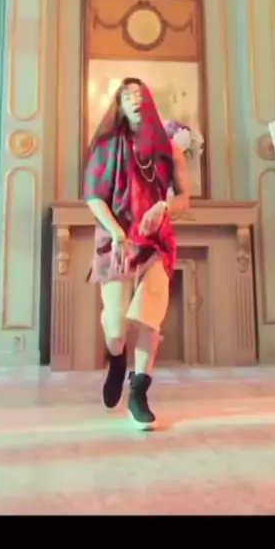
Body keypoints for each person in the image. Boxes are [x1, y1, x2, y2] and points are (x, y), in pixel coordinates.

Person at [83, 77, 190, 430]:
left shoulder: (169, 150)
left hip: (156, 243)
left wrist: (163, 206)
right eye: (127, 95)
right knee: (116, 330)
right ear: (119, 105)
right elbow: (94, 196)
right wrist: (116, 232)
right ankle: (116, 359)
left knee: (148, 319)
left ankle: (139, 392)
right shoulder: (106, 145)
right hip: (116, 241)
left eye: (140, 94)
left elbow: (183, 198)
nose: (135, 99)